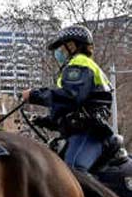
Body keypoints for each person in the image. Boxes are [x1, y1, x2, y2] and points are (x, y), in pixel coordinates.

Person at [21, 25, 113, 173]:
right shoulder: (74, 67)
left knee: (73, 172)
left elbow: (70, 97)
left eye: (60, 47)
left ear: (71, 45)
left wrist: (34, 95)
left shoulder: (80, 63)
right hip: (77, 132)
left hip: (88, 132)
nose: (58, 52)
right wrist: (45, 121)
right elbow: (68, 109)